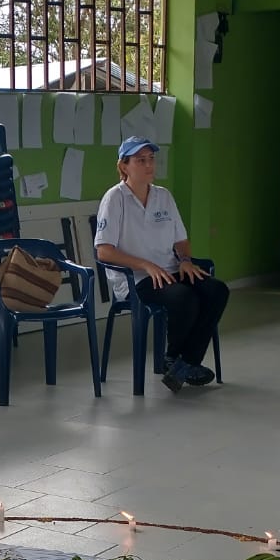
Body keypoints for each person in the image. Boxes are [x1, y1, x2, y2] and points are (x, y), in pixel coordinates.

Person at [94, 136, 228, 393]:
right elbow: (105, 252)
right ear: (124, 166)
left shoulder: (163, 196)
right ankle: (175, 358)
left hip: (170, 270)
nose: (148, 165)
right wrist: (145, 265)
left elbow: (181, 239)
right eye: (140, 160)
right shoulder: (115, 198)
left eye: (151, 159)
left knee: (216, 290)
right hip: (137, 279)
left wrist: (186, 261)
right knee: (184, 297)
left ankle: (183, 362)